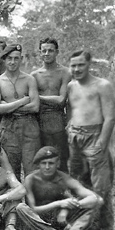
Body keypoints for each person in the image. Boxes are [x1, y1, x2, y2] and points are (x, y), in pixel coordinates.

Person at [67, 50, 115, 230]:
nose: (77, 69)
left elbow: (110, 117)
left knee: (101, 185)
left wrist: (102, 142)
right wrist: (70, 129)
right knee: (78, 183)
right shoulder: (71, 86)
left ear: (89, 64)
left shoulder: (102, 85)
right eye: (73, 65)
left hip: (95, 136)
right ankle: (81, 228)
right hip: (75, 137)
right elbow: (72, 110)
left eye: (81, 65)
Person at [16, 147, 103, 230]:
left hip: (60, 219)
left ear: (57, 163)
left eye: (51, 163)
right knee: (21, 207)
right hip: (40, 220)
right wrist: (59, 203)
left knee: (91, 207)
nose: (47, 167)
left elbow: (95, 198)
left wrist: (68, 206)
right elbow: (34, 208)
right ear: (38, 164)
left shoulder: (63, 178)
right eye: (44, 163)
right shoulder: (30, 179)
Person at [0, 44, 41, 178]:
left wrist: (7, 106)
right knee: (11, 170)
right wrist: (22, 101)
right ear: (4, 59)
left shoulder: (29, 79)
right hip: (8, 127)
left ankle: (32, 199)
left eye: (16, 58)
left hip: (29, 127)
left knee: (32, 170)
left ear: (21, 59)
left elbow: (35, 106)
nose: (12, 62)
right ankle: (14, 199)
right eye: (9, 58)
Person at [31, 38, 71, 172]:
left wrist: (37, 97)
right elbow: (31, 101)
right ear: (40, 53)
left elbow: (61, 100)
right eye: (44, 50)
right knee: (41, 158)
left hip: (57, 119)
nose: (47, 53)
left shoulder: (65, 72)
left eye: (50, 50)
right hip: (39, 119)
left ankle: (64, 190)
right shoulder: (34, 75)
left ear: (57, 52)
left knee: (60, 158)